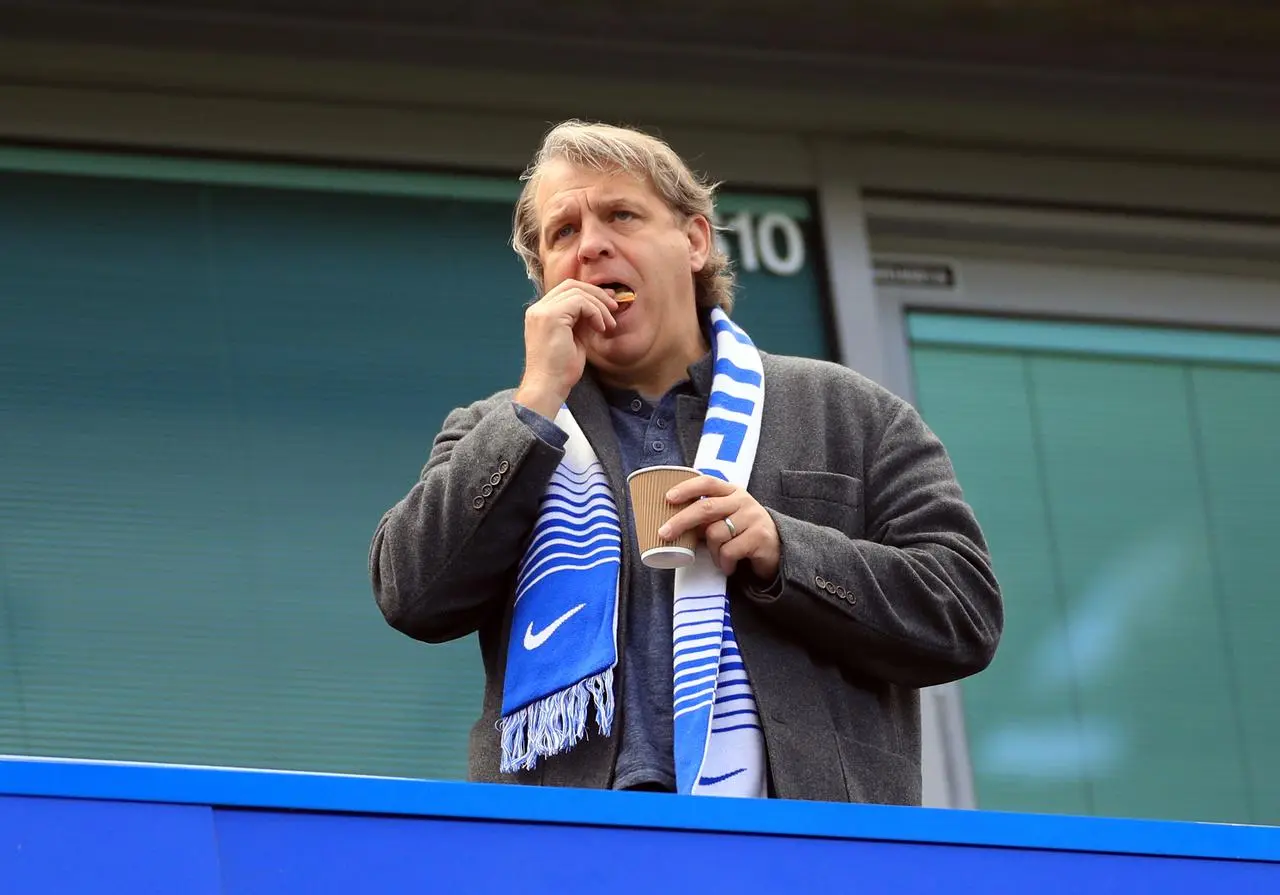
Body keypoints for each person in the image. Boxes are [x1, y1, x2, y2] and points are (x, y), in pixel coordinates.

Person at [369, 119, 1002, 803]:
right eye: (563, 233)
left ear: (695, 240)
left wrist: (786, 549)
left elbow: (962, 609)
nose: (592, 246)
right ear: (545, 278)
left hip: (796, 839)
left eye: (621, 215)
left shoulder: (850, 412)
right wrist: (535, 403)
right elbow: (410, 592)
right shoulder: (499, 426)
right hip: (567, 836)